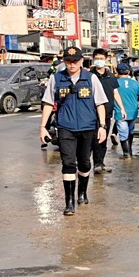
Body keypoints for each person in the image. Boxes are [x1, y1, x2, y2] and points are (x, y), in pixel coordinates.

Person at [39, 46, 108, 216]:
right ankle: (69, 203)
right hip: (65, 128)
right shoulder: (56, 79)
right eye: (68, 61)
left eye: (75, 61)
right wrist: (43, 127)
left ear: (82, 61)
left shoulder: (91, 79)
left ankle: (82, 193)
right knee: (68, 163)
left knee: (84, 163)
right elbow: (48, 103)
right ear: (64, 61)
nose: (71, 64)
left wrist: (102, 126)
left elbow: (100, 103)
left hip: (87, 128)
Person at [90, 48, 125, 173]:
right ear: (94, 59)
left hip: (107, 113)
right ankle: (89, 164)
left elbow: (115, 92)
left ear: (106, 59)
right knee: (93, 139)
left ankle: (100, 163)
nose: (99, 61)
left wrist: (121, 108)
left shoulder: (111, 76)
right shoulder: (90, 76)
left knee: (103, 139)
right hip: (92, 113)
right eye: (97, 58)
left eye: (102, 58)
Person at [114, 62, 139, 160]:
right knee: (130, 132)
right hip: (133, 112)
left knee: (123, 134)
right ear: (128, 72)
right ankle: (130, 152)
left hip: (120, 112)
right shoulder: (134, 83)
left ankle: (126, 154)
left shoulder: (114, 83)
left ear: (117, 71)